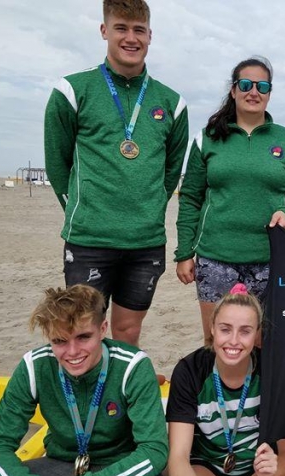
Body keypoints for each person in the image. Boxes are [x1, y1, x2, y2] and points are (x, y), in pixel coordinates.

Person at [44, 0, 189, 347]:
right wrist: (86, 211)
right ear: (104, 30)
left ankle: (120, 398)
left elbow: (171, 171)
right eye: (121, 28)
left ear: (150, 35)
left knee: (127, 333)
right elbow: (57, 163)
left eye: (139, 30)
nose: (130, 38)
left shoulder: (172, 103)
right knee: (82, 331)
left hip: (146, 242)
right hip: (89, 240)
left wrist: (150, 208)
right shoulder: (72, 91)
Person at [175, 56, 285, 342]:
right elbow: (190, 198)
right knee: (219, 343)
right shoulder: (207, 139)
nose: (254, 91)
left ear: (269, 93)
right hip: (215, 259)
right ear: (233, 90)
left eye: (262, 86)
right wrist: (184, 253)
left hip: (270, 261)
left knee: (263, 346)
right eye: (246, 84)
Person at [0, 285, 168, 476]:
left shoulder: (133, 366)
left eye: (83, 337)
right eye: (59, 341)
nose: (73, 352)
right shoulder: (34, 366)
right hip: (59, 462)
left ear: (102, 329)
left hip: (118, 464)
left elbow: (154, 450)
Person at [166, 283, 285, 476]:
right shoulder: (190, 370)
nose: (234, 341)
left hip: (259, 469)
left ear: (257, 333)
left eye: (245, 331)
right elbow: (178, 456)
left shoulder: (274, 372)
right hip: (207, 465)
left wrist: (272, 471)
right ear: (212, 328)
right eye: (225, 329)